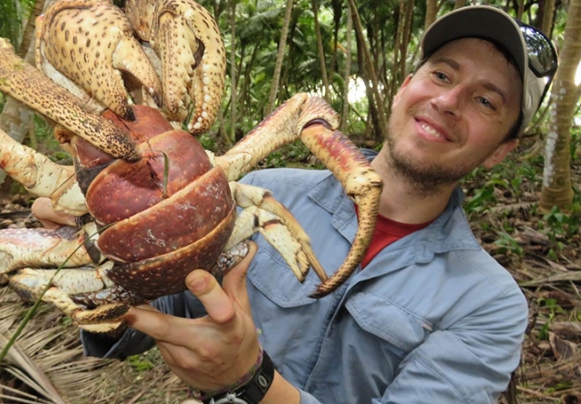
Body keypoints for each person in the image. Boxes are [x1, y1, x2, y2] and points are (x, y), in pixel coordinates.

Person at [35, 5, 559, 403]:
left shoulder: (489, 304)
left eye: (486, 100)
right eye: (441, 75)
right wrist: (96, 250)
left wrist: (248, 379)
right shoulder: (265, 188)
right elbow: (147, 316)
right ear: (405, 87)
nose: (448, 101)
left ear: (503, 150)